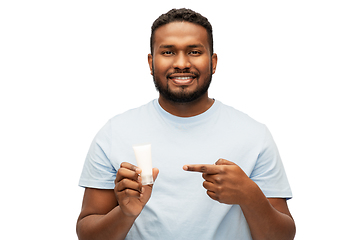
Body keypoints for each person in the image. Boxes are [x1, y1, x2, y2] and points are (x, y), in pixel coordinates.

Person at [76, 8, 296, 240]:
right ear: (151, 62)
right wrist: (125, 213)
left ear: (213, 62)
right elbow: (87, 234)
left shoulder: (254, 135)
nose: (182, 63)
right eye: (168, 52)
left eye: (194, 51)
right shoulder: (115, 133)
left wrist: (250, 196)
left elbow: (283, 236)